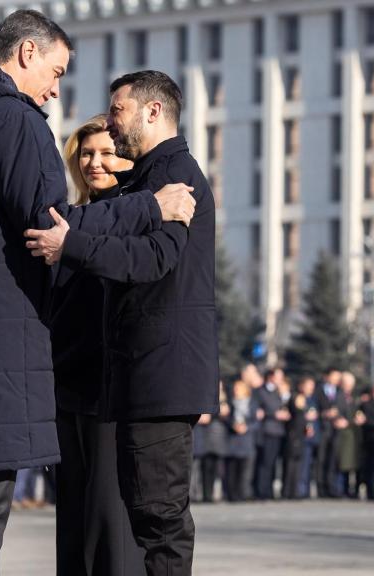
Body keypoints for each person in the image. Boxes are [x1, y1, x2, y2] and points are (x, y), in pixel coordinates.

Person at [0, 10, 196, 575]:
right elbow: (51, 226)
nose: (56, 90)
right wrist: (150, 206)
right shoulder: (11, 119)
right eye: (55, 72)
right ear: (27, 54)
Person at [25, 69, 219, 575]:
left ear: (153, 111)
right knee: (146, 519)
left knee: (159, 524)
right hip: (140, 379)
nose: (110, 125)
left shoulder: (174, 177)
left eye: (118, 110)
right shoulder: (150, 178)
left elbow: (154, 259)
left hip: (159, 378)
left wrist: (71, 244)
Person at [48, 115, 145, 575]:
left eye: (107, 153)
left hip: (112, 392)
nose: (95, 163)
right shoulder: (68, 222)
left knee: (109, 514)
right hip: (67, 390)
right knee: (73, 513)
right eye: (86, 154)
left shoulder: (136, 218)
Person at [254, 368, 290, 500]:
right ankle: (262, 491)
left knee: (274, 463)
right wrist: (274, 414)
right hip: (268, 430)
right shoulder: (262, 391)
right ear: (270, 377)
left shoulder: (279, 391)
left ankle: (269, 490)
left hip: (278, 431)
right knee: (265, 463)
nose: (281, 379)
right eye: (278, 376)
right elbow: (261, 410)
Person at [224, 379, 260, 503]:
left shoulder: (252, 404)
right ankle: (231, 494)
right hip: (233, 439)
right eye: (235, 388)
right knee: (232, 468)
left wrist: (247, 427)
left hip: (247, 440)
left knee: (246, 470)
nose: (236, 390)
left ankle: (244, 493)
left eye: (238, 388)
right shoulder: (230, 403)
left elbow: (257, 422)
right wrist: (233, 425)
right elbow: (226, 419)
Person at [194, 381, 229, 503]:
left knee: (215, 468)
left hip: (218, 437)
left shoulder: (225, 399)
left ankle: (210, 494)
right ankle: (205, 494)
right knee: (205, 467)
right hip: (206, 436)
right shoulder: (206, 397)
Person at [314, 369, 343, 498]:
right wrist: (324, 414)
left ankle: (332, 487)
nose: (336, 379)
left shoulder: (340, 392)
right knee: (321, 459)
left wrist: (340, 418)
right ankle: (321, 487)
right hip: (322, 429)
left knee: (332, 460)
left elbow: (343, 409)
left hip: (335, 430)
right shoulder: (318, 390)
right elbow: (313, 408)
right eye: (334, 376)